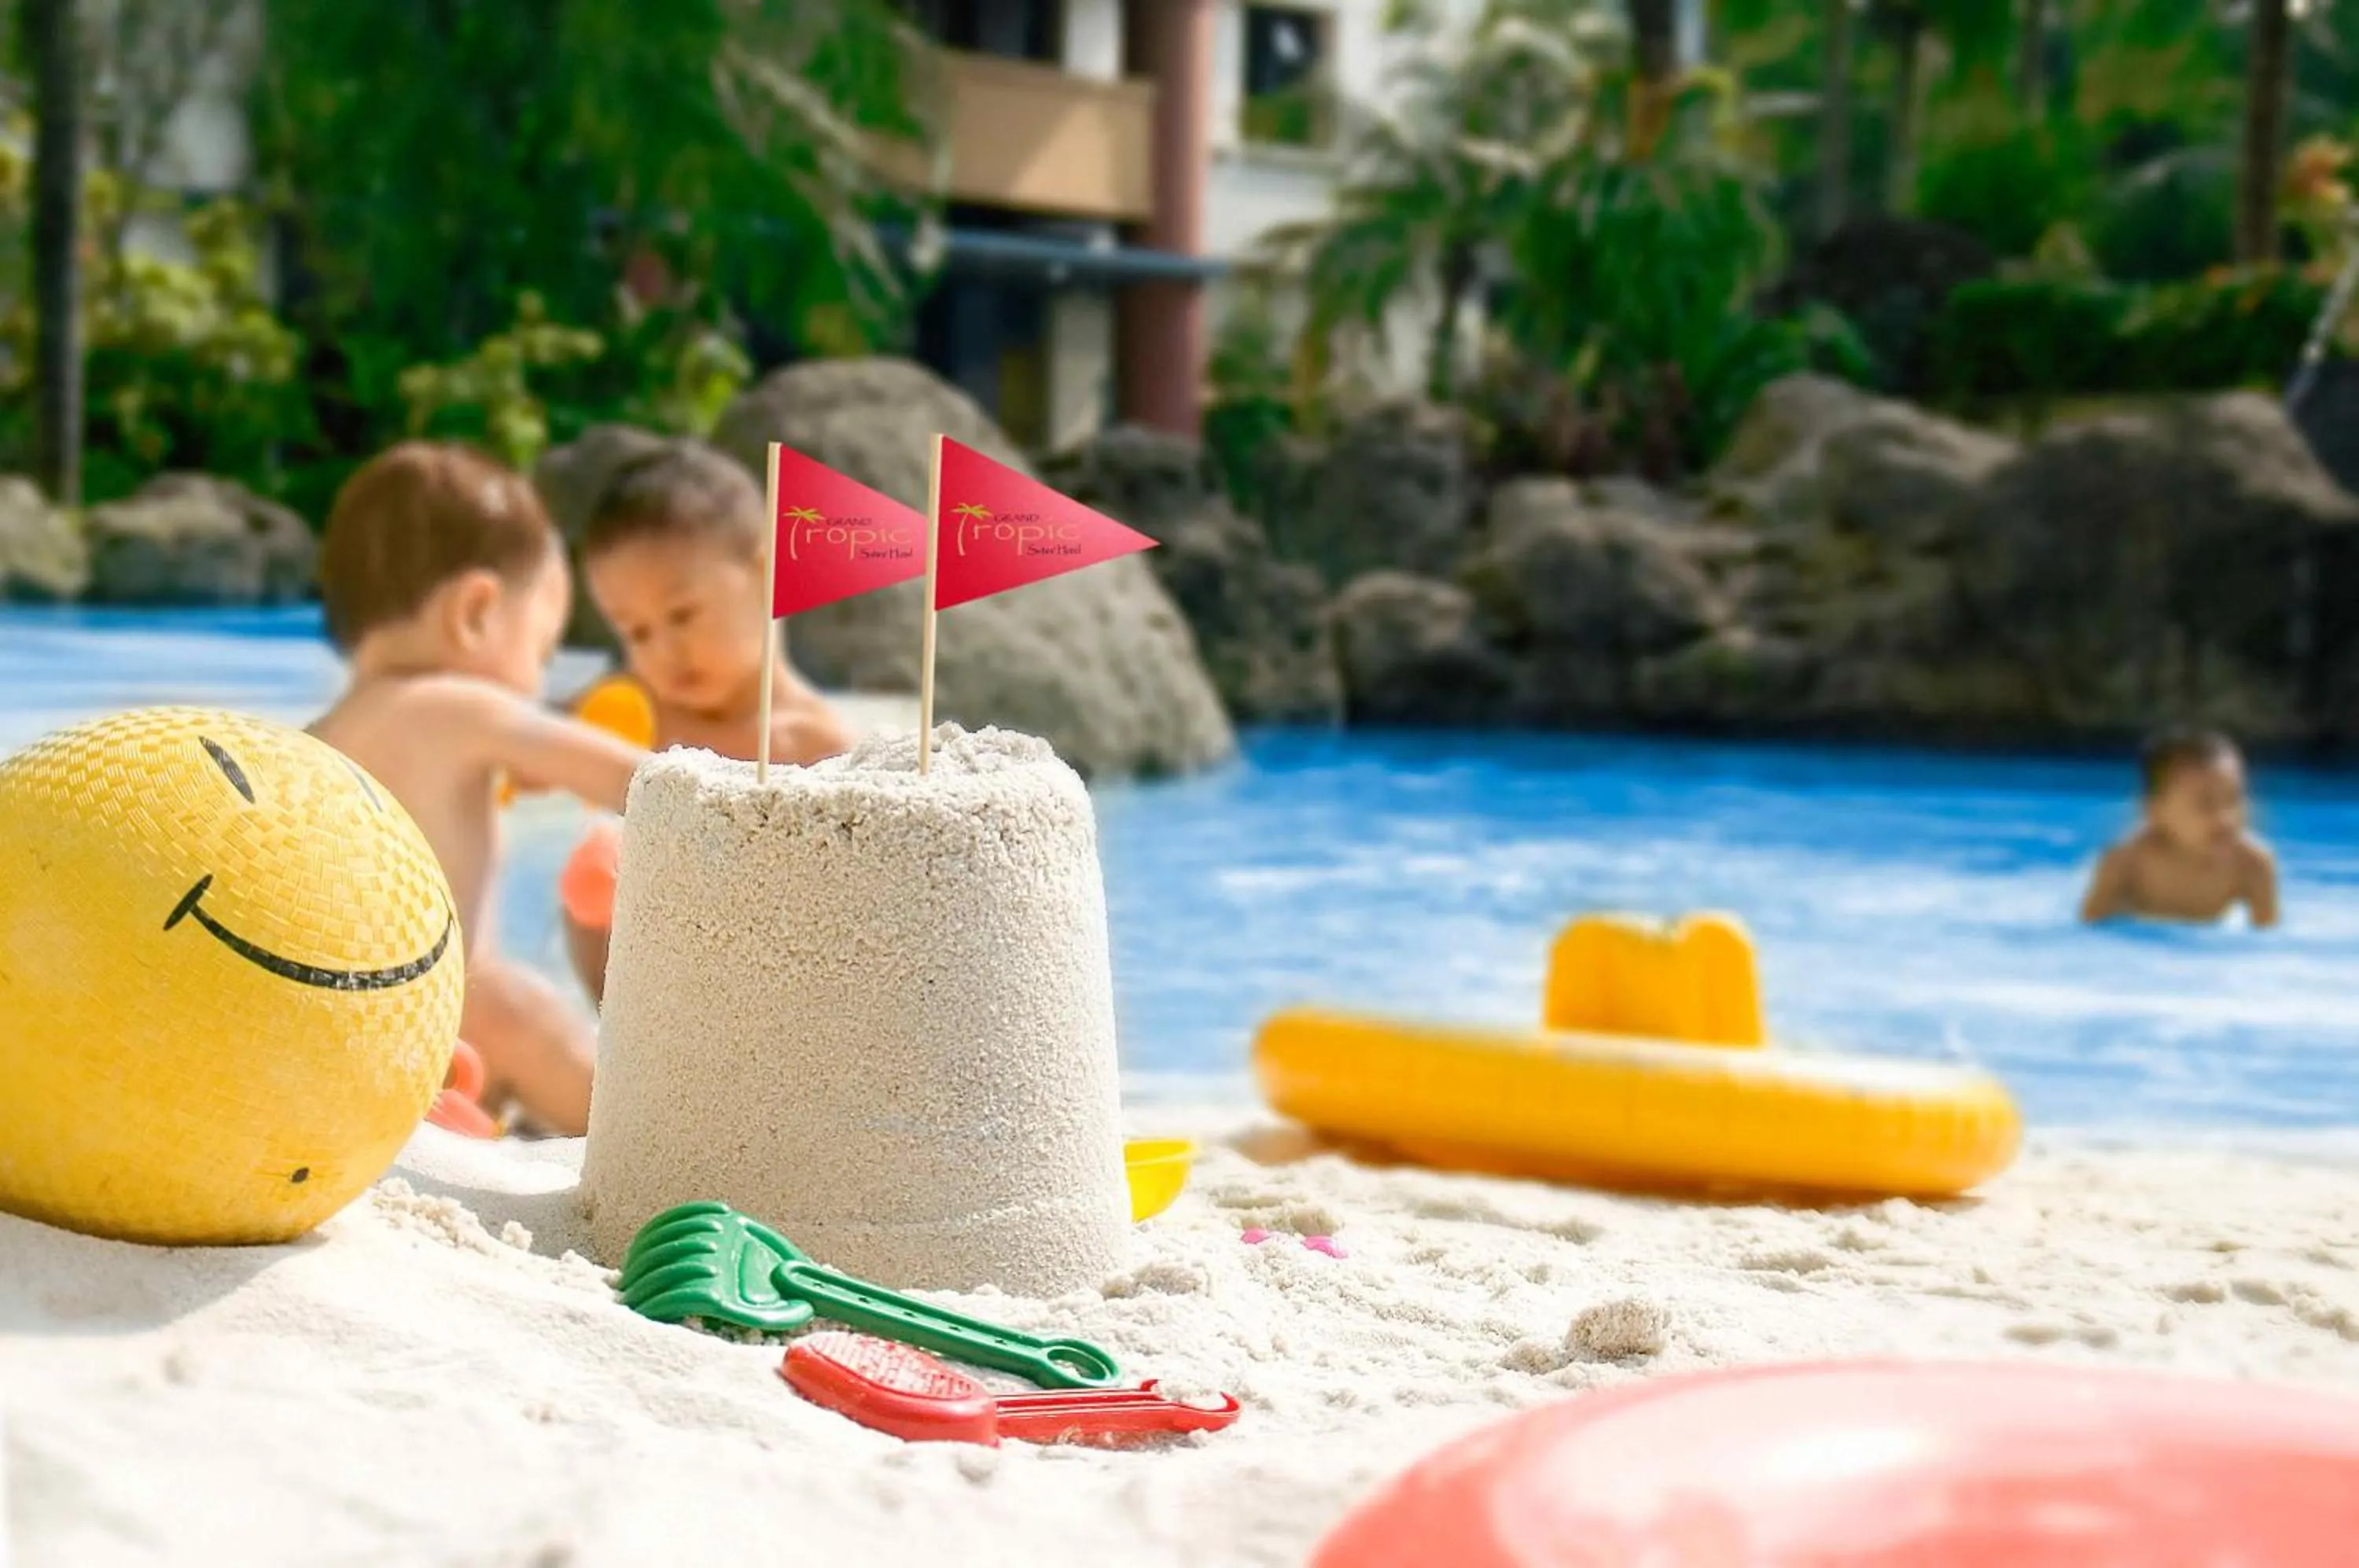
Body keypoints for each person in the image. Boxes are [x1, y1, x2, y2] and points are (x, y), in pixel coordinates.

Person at [310, 442, 647, 1136]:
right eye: (540, 651)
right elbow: (648, 784)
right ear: (476, 612)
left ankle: (473, 1114)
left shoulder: (317, 735)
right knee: (509, 1003)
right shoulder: (462, 708)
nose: (537, 682)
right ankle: (649, 1142)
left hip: (330, 1047)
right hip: (438, 1032)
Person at [558, 441, 855, 1001]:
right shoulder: (629, 714)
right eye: (636, 632)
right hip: (636, 1020)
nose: (664, 650)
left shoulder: (818, 749)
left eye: (683, 615)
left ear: (767, 576)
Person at [2079, 727, 2279, 929]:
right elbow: (2090, 931)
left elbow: (2267, 940)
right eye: (2205, 803)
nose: (2225, 818)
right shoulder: (2125, 861)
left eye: (2234, 799)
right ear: (2155, 811)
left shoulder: (2252, 864)